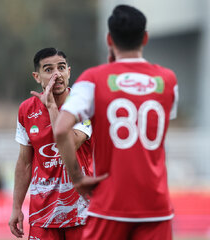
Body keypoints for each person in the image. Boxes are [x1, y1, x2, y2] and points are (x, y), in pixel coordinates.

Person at [54, 5, 179, 240]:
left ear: (109, 39)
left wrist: (78, 179)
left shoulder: (93, 79)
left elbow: (61, 129)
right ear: (145, 37)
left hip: (109, 207)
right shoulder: (168, 80)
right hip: (156, 208)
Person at [9, 48, 93, 239]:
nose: (57, 75)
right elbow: (25, 163)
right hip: (42, 216)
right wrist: (16, 207)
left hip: (82, 214)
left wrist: (52, 107)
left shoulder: (83, 105)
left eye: (61, 68)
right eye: (48, 70)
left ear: (69, 72)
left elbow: (69, 143)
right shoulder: (26, 110)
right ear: (37, 77)